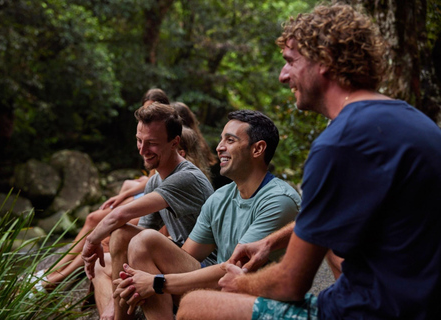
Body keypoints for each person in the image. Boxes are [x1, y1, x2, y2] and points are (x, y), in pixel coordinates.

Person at [177, 3, 441, 320]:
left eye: (290, 62)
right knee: (331, 245)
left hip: (373, 311)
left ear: (325, 61)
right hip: (420, 302)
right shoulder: (416, 122)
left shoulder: (339, 143)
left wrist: (242, 282)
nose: (282, 75)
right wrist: (270, 241)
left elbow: (291, 283)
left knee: (196, 304)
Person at [112, 110, 301, 320]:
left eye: (230, 140)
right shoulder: (220, 197)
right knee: (143, 242)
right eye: (221, 140)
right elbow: (187, 257)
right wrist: (138, 280)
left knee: (152, 252)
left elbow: (234, 269)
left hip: (255, 300)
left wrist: (157, 282)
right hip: (220, 290)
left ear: (258, 149)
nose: (219, 147)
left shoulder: (279, 200)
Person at [81, 102, 215, 320]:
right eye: (139, 140)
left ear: (175, 143)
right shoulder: (155, 181)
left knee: (142, 240)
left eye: (151, 143)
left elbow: (120, 215)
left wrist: (91, 243)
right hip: (175, 265)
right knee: (115, 244)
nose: (142, 150)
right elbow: (129, 238)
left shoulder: (187, 177)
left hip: (202, 272)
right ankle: (119, 314)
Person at [33, 89, 172, 290]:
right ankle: (55, 271)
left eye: (151, 111)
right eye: (144, 110)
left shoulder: (165, 139)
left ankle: (58, 278)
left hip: (156, 202)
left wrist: (124, 198)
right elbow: (153, 179)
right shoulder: (150, 138)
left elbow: (160, 186)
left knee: (106, 233)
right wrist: (125, 194)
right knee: (96, 219)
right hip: (152, 197)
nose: (146, 116)